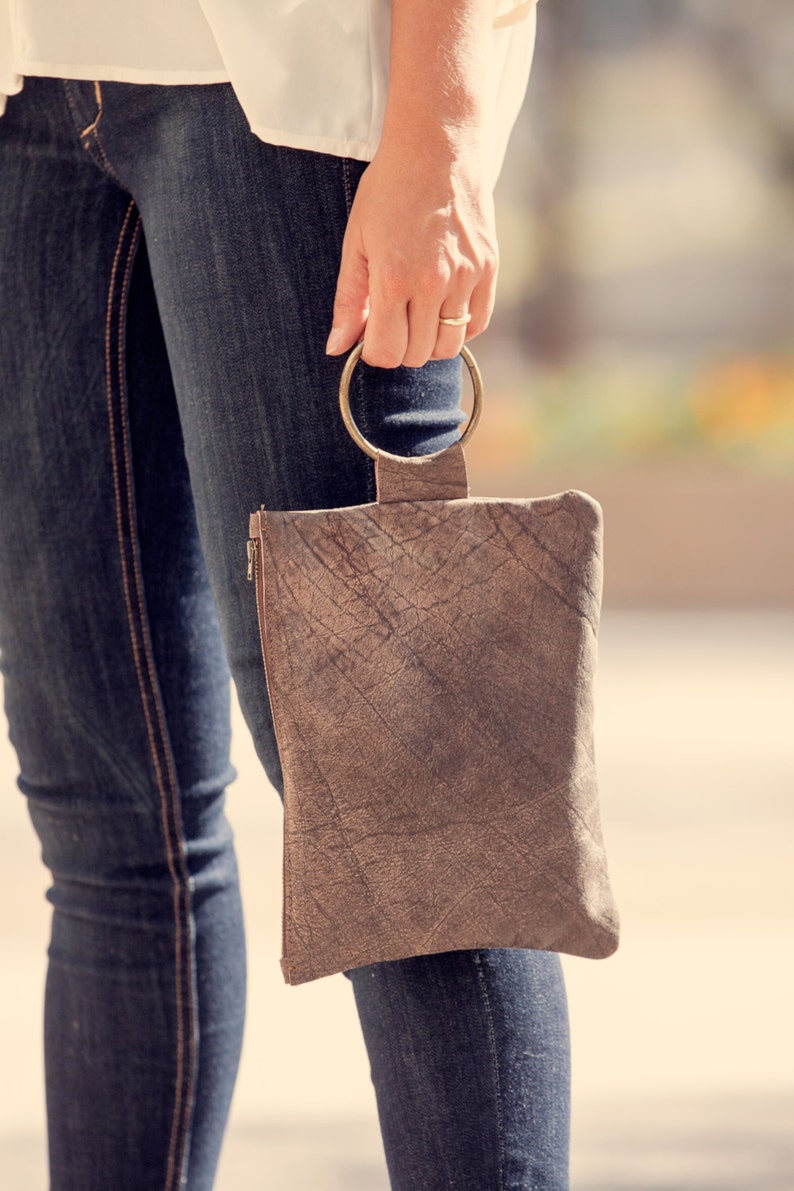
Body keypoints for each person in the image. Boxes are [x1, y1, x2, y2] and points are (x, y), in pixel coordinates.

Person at [0, 2, 571, 1188]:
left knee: (407, 815)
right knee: (108, 816)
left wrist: (443, 127)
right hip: (21, 92)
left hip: (287, 98)